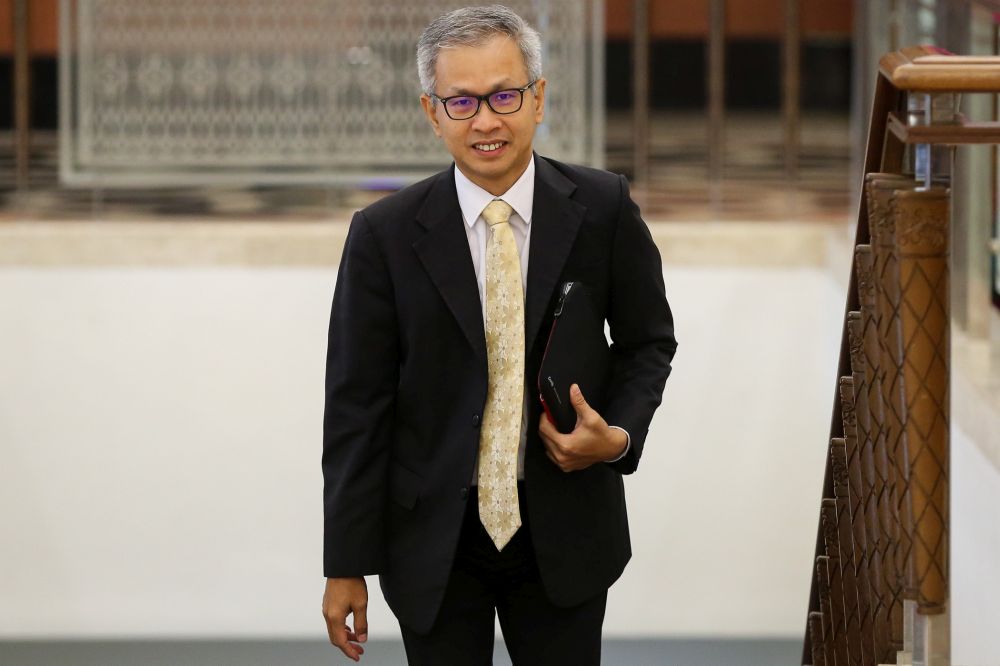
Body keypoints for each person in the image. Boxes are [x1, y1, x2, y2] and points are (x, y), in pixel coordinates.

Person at [321, 5, 676, 664]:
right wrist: (346, 562)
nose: (485, 120)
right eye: (461, 102)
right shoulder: (384, 235)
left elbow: (648, 342)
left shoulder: (601, 209)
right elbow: (356, 406)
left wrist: (617, 436)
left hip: (565, 533)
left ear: (538, 99)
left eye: (504, 95)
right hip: (431, 541)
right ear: (432, 112)